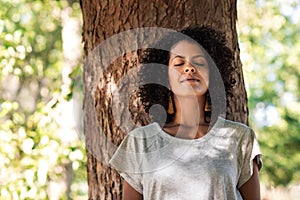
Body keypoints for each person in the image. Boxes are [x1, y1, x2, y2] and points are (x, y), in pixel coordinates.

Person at [109, 26, 262, 200]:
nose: (189, 68)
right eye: (179, 63)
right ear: (164, 76)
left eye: (199, 62)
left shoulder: (239, 138)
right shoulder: (139, 142)